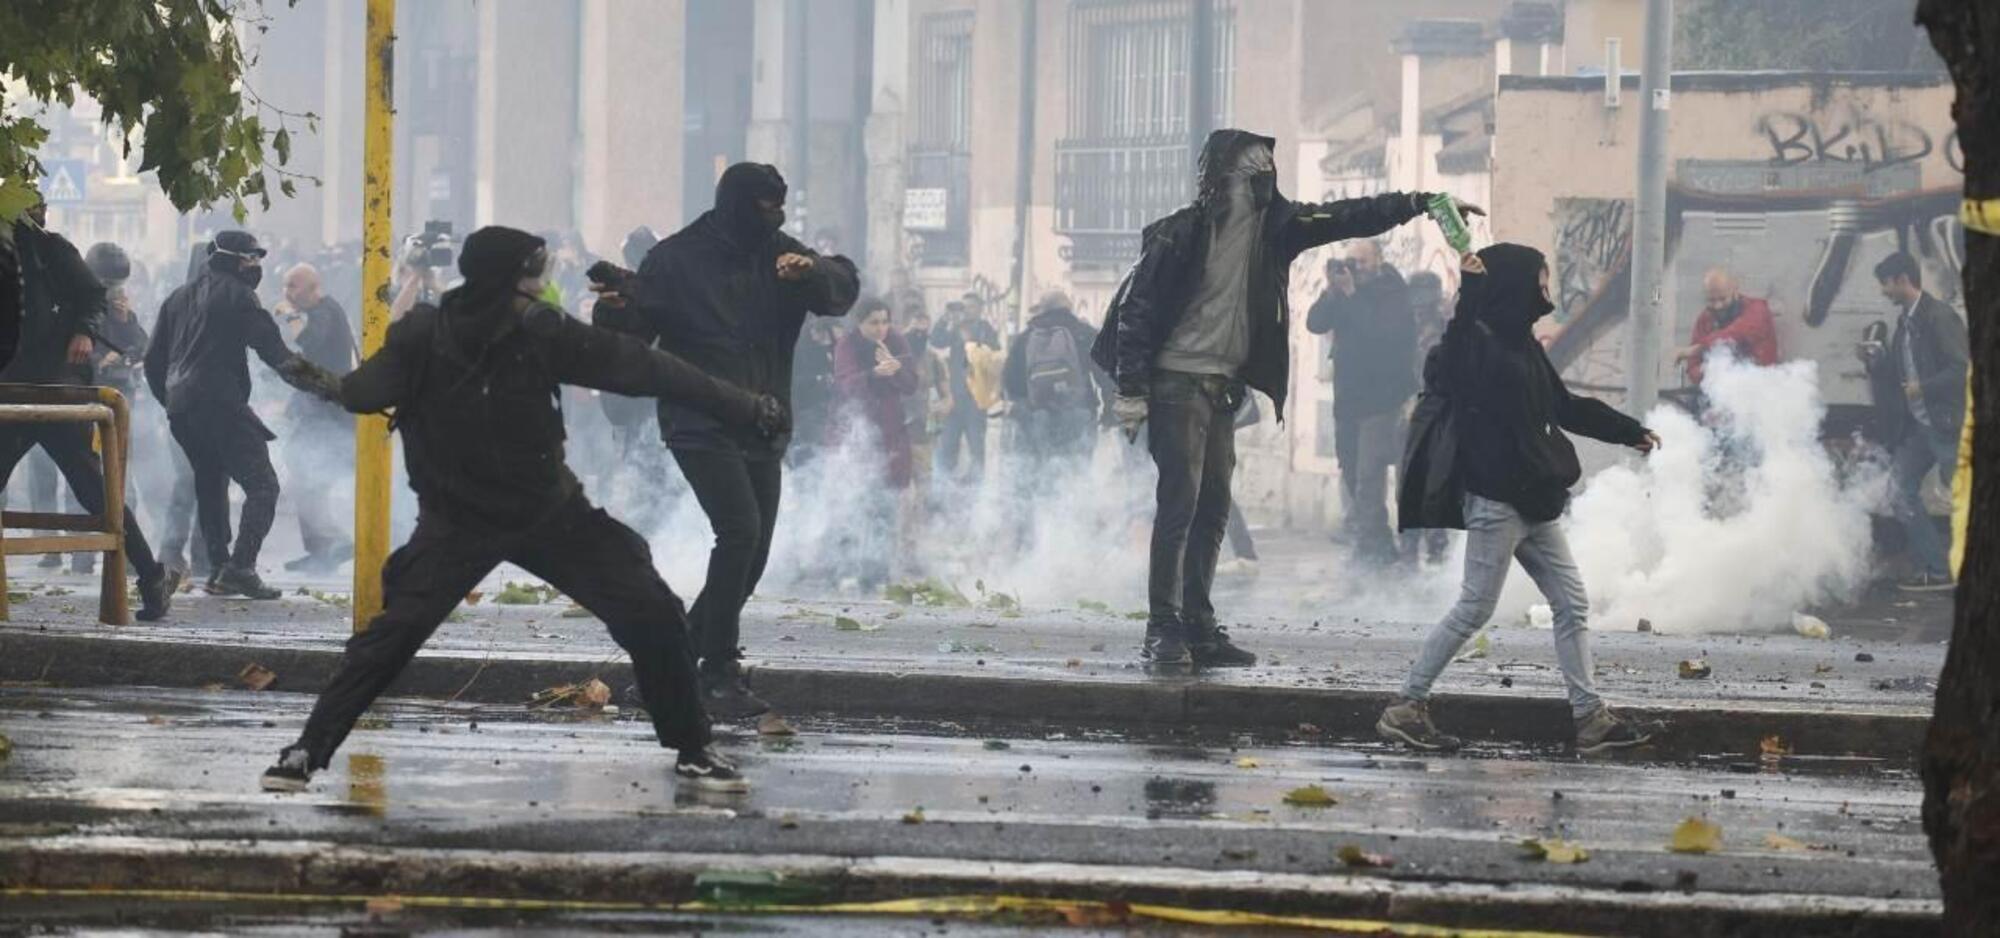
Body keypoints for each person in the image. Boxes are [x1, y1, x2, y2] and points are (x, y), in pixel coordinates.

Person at [259, 226, 786, 795]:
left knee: (653, 612)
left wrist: (742, 406)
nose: (539, 291)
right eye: (531, 278)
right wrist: (309, 376)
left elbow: (645, 368)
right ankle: (308, 749)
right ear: (505, 281)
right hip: (458, 520)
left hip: (549, 513)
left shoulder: (543, 334)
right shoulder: (425, 335)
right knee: (391, 638)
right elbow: (362, 392)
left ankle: (692, 747)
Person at [1092, 128, 1474, 669]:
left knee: (1214, 507)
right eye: (1252, 173)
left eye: (1269, 171)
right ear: (1221, 179)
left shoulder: (1278, 228)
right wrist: (1131, 390)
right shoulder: (1180, 234)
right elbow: (1138, 313)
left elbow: (1350, 215)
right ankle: (1164, 629)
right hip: (1177, 383)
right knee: (1180, 503)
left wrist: (1423, 203)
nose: (1264, 182)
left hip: (1223, 389)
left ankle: (1198, 625)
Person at [600, 162, 859, 717]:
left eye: (779, 205)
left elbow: (842, 288)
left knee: (755, 548)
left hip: (763, 420)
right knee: (738, 531)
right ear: (735, 203)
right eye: (764, 205)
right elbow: (632, 335)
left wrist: (810, 272)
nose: (774, 216)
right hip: (698, 419)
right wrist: (616, 308)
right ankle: (717, 673)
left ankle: (663, 668)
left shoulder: (781, 254)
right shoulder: (676, 258)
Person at [1384, 244, 1660, 755]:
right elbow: (1455, 351)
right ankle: (1407, 705)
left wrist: (1627, 431)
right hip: (1496, 500)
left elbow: (1564, 405)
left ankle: (1589, 719)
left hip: (1533, 500)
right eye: (1539, 278)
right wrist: (1468, 294)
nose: (1546, 288)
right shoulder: (1474, 345)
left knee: (1572, 603)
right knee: (1473, 609)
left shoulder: (1522, 345)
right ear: (1513, 285)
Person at [144, 230, 342, 600]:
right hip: (219, 404)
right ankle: (241, 568)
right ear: (230, 259)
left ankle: (219, 567)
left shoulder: (177, 297)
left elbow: (155, 362)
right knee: (263, 486)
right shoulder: (239, 297)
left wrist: (172, 401)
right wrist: (331, 387)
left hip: (182, 410)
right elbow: (278, 355)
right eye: (250, 258)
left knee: (210, 481)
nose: (256, 266)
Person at [3, 202, 177, 620]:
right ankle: (152, 575)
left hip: (56, 389)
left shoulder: (50, 250)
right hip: (12, 388)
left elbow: (91, 295)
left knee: (93, 487)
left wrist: (82, 330)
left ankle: (151, 576)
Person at [1307, 241, 1418, 565]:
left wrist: (1352, 295)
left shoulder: (1393, 292)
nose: (1355, 267)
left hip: (1383, 402)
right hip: (1349, 403)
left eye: (1361, 261)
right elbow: (1315, 323)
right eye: (1350, 261)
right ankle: (1376, 547)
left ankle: (1379, 554)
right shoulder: (1344, 291)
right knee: (1353, 475)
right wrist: (1331, 291)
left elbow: (1379, 337)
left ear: (1379, 261)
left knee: (1369, 477)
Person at [1863, 251, 1968, 591]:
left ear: (1902, 280)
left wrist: (1924, 387)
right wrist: (1876, 362)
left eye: (1886, 284)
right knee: (1900, 492)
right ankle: (1938, 570)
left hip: (1948, 425)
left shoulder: (1939, 317)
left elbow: (1961, 368)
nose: (1883, 291)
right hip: (1921, 427)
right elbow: (1901, 372)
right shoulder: (1904, 321)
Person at [831, 298, 919, 590]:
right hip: (859, 433)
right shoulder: (848, 344)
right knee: (858, 503)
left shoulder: (896, 340)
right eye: (873, 323)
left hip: (891, 432)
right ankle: (845, 565)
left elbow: (911, 383)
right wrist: (873, 374)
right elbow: (845, 383)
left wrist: (896, 370)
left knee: (886, 504)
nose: (880, 328)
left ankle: (878, 572)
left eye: (884, 321)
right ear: (860, 323)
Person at [277, 263, 359, 574]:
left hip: (330, 413)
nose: (287, 293)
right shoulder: (324, 309)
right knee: (307, 474)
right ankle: (323, 548)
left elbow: (310, 341)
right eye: (285, 286)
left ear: (314, 287)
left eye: (293, 286)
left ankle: (331, 542)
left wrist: (290, 314)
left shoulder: (326, 310)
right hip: (322, 408)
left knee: (309, 472)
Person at [1003, 292, 1102, 466]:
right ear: (1069, 307)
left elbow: (1010, 381)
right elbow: (1106, 372)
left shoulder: (1026, 337)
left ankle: (1042, 493)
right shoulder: (1084, 333)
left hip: (1037, 414)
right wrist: (1110, 412)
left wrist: (1025, 406)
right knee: (1075, 472)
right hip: (1079, 412)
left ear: (1043, 309)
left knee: (1040, 472)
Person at [931, 297, 1000, 480]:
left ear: (980, 309)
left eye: (971, 307)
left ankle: (976, 486)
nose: (967, 311)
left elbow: (994, 355)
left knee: (976, 445)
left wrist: (972, 343)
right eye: (965, 307)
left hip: (976, 397)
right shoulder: (956, 327)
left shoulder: (986, 330)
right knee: (948, 444)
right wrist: (945, 319)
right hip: (955, 396)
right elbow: (937, 341)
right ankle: (943, 486)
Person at [1675, 268, 1778, 387]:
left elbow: (1736, 333)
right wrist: (1710, 372)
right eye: (1711, 300)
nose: (1718, 306)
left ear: (1735, 291)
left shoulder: (1757, 309)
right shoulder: (1705, 319)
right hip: (1718, 393)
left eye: (1723, 299)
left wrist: (1697, 348)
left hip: (1758, 389)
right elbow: (1693, 367)